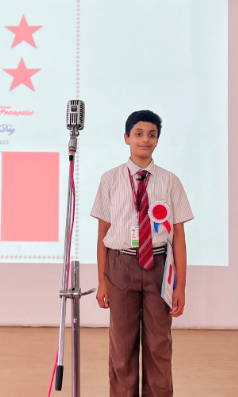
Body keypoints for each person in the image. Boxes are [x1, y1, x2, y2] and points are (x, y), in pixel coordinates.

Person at [91, 110, 193, 397]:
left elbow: (179, 235)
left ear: (158, 140)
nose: (145, 139)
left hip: (160, 265)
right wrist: (102, 281)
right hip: (120, 265)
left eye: (151, 134)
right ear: (126, 138)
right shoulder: (110, 179)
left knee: (159, 343)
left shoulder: (170, 181)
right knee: (121, 344)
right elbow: (102, 233)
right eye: (138, 134)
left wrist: (180, 286)